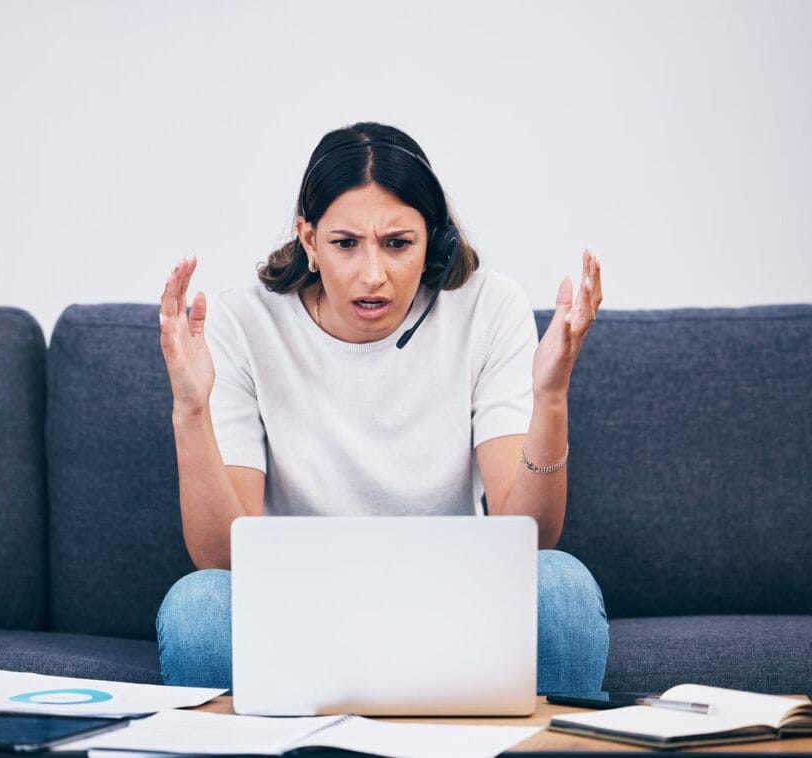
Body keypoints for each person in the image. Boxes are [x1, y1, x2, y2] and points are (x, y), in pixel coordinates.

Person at [156, 122, 608, 694]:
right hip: (298, 614)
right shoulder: (241, 323)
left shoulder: (490, 308)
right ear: (309, 240)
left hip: (456, 609)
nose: (374, 276)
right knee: (198, 607)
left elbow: (533, 539)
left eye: (398, 244)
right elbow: (222, 559)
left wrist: (550, 396)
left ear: (434, 244)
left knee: (560, 587)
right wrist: (190, 411)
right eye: (346, 243)